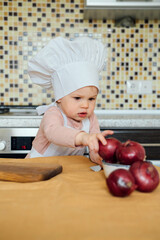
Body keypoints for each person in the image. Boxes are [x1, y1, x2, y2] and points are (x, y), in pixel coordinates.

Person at [26, 37, 113, 166]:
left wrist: (98, 156)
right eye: (77, 98)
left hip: (69, 169)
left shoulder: (91, 118)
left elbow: (93, 146)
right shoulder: (54, 113)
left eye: (91, 99)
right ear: (59, 97)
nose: (85, 105)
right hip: (38, 167)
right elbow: (53, 132)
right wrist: (83, 137)